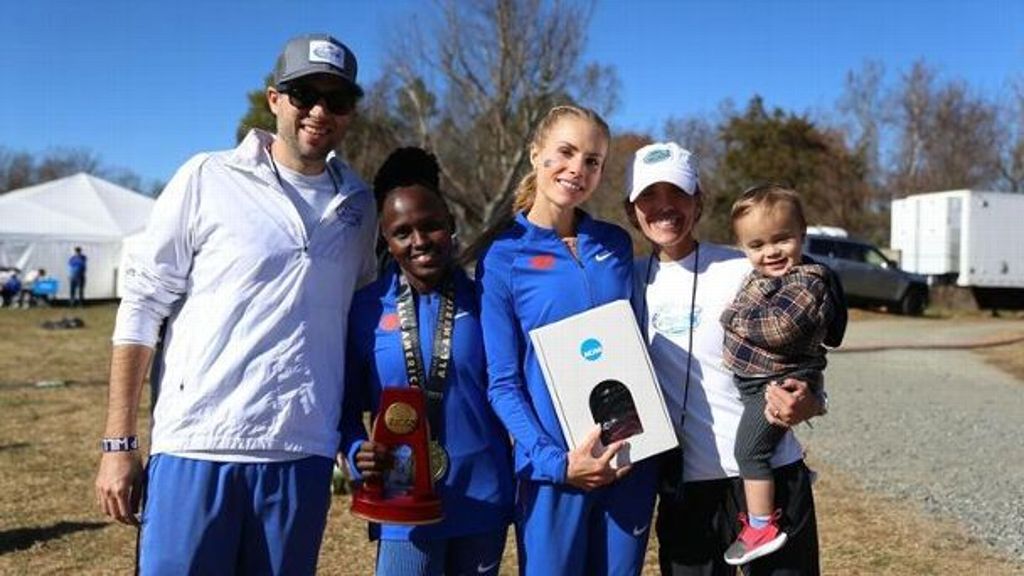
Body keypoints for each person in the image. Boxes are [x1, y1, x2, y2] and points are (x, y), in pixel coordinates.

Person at [93, 33, 378, 575]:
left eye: (337, 100)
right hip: (199, 447)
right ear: (275, 100)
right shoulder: (207, 177)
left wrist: (352, 434)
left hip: (302, 453)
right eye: (303, 94)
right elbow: (140, 308)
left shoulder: (359, 205)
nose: (319, 111)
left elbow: (357, 327)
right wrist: (118, 444)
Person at [624, 142, 827, 576]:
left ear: (698, 201)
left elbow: (806, 347)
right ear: (631, 210)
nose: (664, 207)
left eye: (677, 194)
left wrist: (810, 399)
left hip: (770, 472)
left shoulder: (746, 267)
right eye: (649, 198)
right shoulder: (625, 280)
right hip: (686, 487)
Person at [476, 105, 657, 575]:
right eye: (566, 152)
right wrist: (557, 463)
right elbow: (502, 383)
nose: (577, 168)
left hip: (627, 463)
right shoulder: (502, 256)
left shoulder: (615, 244)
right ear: (536, 155)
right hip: (555, 474)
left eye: (593, 160)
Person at [342, 147, 515, 575]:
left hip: (482, 498)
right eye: (403, 232)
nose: (419, 242)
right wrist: (354, 451)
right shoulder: (364, 309)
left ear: (451, 225)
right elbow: (344, 410)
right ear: (386, 239)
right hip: (402, 503)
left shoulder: (486, 300)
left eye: (432, 226)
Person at [720, 185, 846, 565]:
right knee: (763, 439)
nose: (770, 251)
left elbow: (780, 328)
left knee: (749, 449)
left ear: (803, 233)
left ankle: (760, 525)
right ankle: (790, 478)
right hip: (760, 379)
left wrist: (732, 317)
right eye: (756, 244)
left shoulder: (806, 281)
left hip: (774, 382)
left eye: (782, 239)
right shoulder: (759, 276)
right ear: (742, 247)